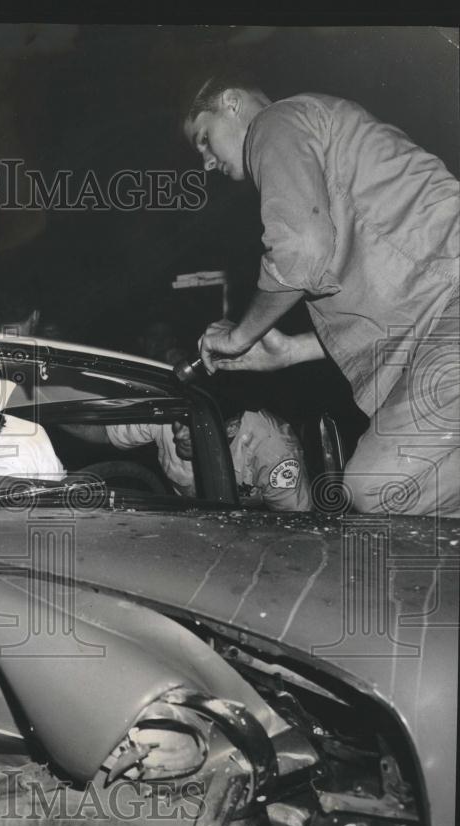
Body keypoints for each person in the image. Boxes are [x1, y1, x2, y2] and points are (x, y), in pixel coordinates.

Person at [184, 69, 460, 516]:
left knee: (378, 486)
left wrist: (240, 336)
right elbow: (396, 308)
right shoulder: (315, 138)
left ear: (232, 103)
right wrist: (291, 351)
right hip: (441, 314)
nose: (206, 162)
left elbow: (301, 251)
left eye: (203, 139)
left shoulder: (274, 124)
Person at [106, 410, 311, 511]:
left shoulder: (274, 453)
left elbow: (293, 528)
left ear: (231, 428)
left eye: (193, 425)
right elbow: (105, 432)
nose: (179, 434)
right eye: (180, 420)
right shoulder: (170, 414)